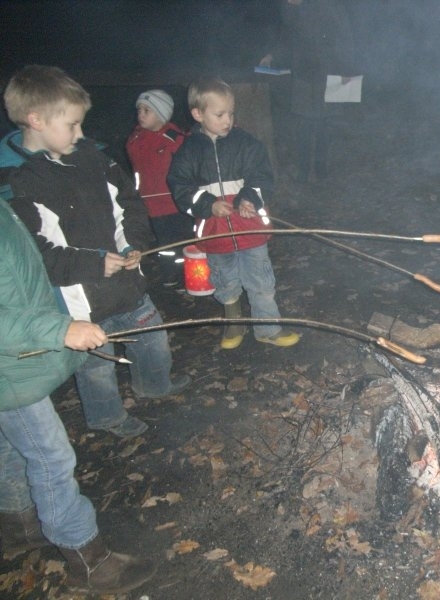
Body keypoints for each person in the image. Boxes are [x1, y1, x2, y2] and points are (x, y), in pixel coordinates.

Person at [3, 65, 189, 439]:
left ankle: (154, 384)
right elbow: (35, 254)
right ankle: (107, 416)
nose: (80, 133)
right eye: (72, 125)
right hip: (80, 299)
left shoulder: (95, 158)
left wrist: (133, 244)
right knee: (96, 366)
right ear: (36, 120)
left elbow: (128, 204)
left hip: (126, 283)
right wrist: (93, 264)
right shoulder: (17, 181)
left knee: (152, 338)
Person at [0, 197, 156, 593]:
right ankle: (88, 560)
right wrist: (58, 330)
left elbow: (30, 267)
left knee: (12, 447)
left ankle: (20, 526)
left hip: (15, 356)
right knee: (50, 455)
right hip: (7, 367)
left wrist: (93, 265)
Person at [167, 76, 300, 350]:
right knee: (225, 282)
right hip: (215, 233)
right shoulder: (189, 151)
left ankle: (268, 328)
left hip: (250, 229)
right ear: (198, 114)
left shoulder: (246, 143)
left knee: (261, 281)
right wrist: (208, 204)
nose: (227, 120)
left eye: (230, 113)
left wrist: (250, 197)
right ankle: (234, 324)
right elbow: (180, 188)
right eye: (220, 114)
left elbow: (262, 176)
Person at [260, 0, 357, 183]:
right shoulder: (295, 9)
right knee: (304, 124)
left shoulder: (330, 6)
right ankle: (303, 171)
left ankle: (321, 170)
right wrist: (272, 55)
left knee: (324, 124)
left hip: (328, 73)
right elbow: (288, 35)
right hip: (304, 75)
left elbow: (344, 38)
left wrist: (347, 70)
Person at [125, 89, 192, 287]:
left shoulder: (175, 138)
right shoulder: (136, 139)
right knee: (164, 242)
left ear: (162, 113)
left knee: (184, 238)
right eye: (139, 110)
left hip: (175, 201)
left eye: (147, 110)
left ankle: (188, 274)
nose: (141, 114)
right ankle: (170, 273)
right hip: (151, 203)